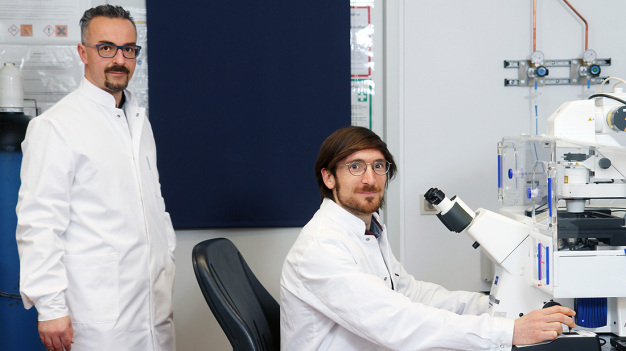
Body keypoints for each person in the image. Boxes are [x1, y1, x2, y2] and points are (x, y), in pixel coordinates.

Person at [280, 126, 576, 350]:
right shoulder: (322, 247)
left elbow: (411, 294)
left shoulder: (369, 229)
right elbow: (395, 321)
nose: (369, 179)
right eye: (355, 167)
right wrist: (508, 331)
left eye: (378, 166)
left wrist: (491, 305)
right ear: (329, 177)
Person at [15, 5, 176, 351]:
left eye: (128, 49)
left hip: (152, 307)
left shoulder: (138, 121)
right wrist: (51, 308)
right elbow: (39, 224)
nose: (119, 59)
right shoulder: (56, 126)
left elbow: (154, 202)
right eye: (106, 48)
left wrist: (168, 255)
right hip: (97, 316)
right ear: (83, 53)